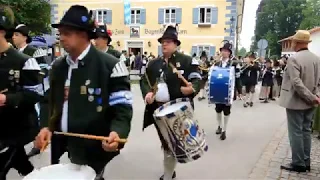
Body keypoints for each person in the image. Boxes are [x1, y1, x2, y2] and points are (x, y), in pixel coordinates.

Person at [35, 5, 133, 180]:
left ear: (84, 34)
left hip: (93, 149)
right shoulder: (57, 66)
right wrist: (45, 126)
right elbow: (46, 100)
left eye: (67, 33)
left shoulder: (110, 66)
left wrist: (117, 132)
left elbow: (122, 109)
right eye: (60, 33)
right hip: (61, 146)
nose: (61, 38)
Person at [140, 25, 201, 180]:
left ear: (176, 44)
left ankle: (167, 175)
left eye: (168, 41)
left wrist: (192, 88)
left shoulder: (186, 61)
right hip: (158, 111)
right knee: (166, 142)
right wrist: (147, 92)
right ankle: (170, 170)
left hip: (177, 112)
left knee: (171, 144)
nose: (164, 44)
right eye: (163, 42)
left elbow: (197, 78)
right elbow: (144, 80)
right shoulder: (154, 64)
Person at [0, 5, 41, 179]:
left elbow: (35, 94)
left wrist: (6, 99)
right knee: (22, 164)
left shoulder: (25, 61)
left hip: (16, 128)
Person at [279, 30, 320, 173]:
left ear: (296, 42)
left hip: (296, 102)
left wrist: (311, 97)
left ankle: (298, 163)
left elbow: (296, 83)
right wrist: (316, 97)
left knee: (296, 132)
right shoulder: (316, 58)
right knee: (306, 131)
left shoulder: (294, 59)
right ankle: (306, 161)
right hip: (312, 102)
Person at [12, 24, 48, 158]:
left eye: (17, 35)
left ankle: (37, 143)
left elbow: (44, 69)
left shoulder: (34, 51)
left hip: (33, 89)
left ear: (25, 37)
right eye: (13, 35)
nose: (13, 38)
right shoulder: (13, 53)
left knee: (35, 116)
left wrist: (32, 80)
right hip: (17, 92)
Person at [213, 42, 241, 140]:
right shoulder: (216, 63)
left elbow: (238, 78)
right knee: (218, 109)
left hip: (229, 90)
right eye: (222, 51)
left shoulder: (234, 63)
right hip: (218, 89)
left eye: (226, 51)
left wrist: (239, 91)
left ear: (229, 53)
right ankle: (219, 126)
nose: (224, 52)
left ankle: (224, 130)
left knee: (226, 110)